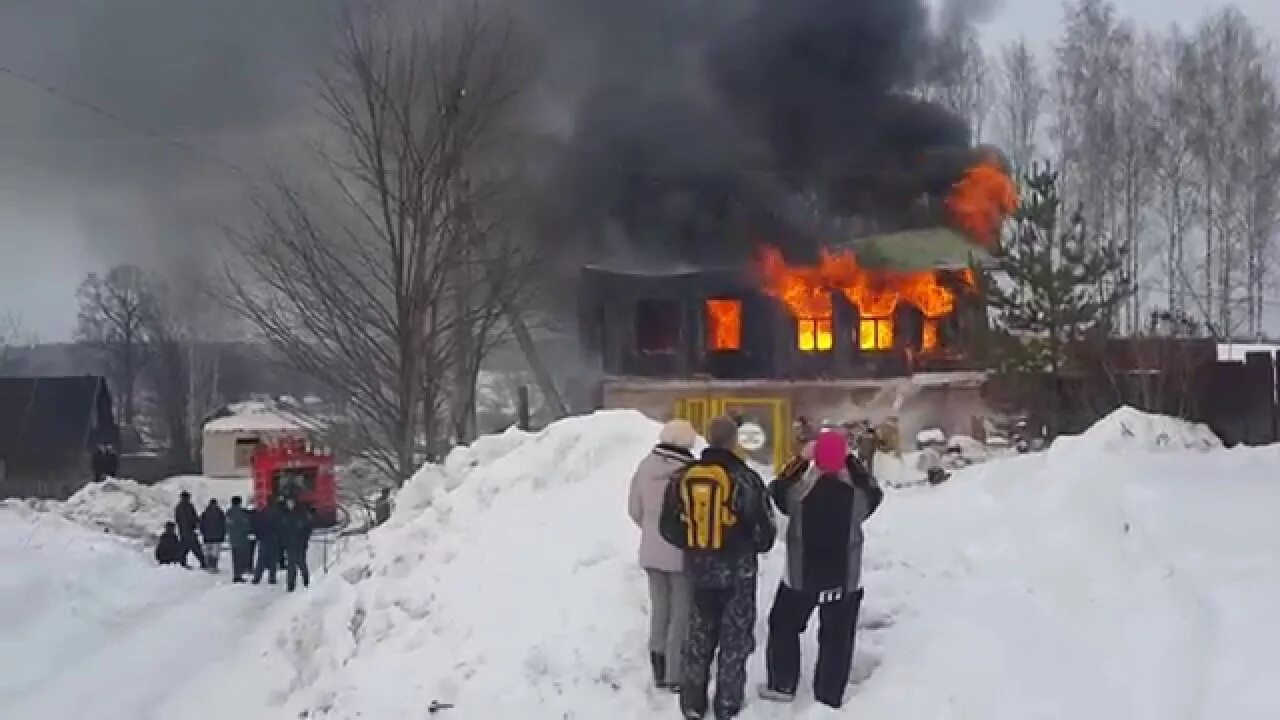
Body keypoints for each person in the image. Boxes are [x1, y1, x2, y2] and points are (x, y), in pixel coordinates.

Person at [758, 430, 884, 710]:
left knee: (783, 625)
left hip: (801, 577)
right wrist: (850, 460)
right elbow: (874, 490)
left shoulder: (798, 498)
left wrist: (800, 461)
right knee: (837, 637)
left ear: (816, 460)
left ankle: (782, 683)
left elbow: (776, 488)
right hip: (844, 579)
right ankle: (829, 694)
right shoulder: (857, 499)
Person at [660, 415, 776, 720]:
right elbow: (765, 536)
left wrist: (694, 542)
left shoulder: (683, 478)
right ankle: (727, 703)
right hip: (739, 574)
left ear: (707, 439)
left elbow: (667, 528)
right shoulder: (747, 480)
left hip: (698, 571)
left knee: (698, 636)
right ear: (732, 440)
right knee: (734, 641)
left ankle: (692, 703)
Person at [627, 419, 697, 692]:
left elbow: (634, 510)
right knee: (681, 612)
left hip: (651, 551)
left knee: (660, 609)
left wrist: (651, 529)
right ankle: (674, 673)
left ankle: (657, 665)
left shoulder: (644, 467)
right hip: (680, 553)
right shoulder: (688, 473)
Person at [280, 498, 313, 592]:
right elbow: (282, 529)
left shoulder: (301, 514)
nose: (289, 504)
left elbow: (308, 528)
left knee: (301, 563)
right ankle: (290, 585)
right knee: (291, 565)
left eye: (291, 502)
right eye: (288, 503)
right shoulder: (285, 514)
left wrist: (304, 539)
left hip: (300, 543)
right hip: (290, 544)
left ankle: (306, 582)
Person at [251, 498, 281, 585]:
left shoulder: (260, 513)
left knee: (261, 559)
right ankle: (272, 578)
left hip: (263, 539)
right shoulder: (276, 513)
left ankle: (257, 578)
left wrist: (258, 535)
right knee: (273, 559)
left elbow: (256, 525)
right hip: (273, 539)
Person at [174, 491, 206, 569]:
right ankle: (203, 562)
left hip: (182, 531)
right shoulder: (189, 506)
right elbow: (192, 518)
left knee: (184, 548)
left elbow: (177, 519)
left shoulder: (178, 507)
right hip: (189, 530)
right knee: (195, 547)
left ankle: (182, 562)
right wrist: (197, 522)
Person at [226, 496, 253, 582]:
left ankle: (237, 574)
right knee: (242, 557)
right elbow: (246, 525)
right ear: (240, 502)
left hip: (233, 538)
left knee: (235, 557)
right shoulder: (242, 513)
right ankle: (239, 575)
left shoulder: (228, 512)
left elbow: (227, 525)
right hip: (242, 538)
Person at [199, 498, 227, 572]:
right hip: (218, 536)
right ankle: (214, 566)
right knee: (215, 551)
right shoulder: (220, 512)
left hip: (207, 536)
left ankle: (208, 565)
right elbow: (224, 524)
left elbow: (201, 524)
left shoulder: (205, 513)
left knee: (208, 551)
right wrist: (223, 534)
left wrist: (203, 533)